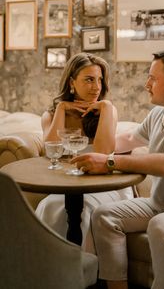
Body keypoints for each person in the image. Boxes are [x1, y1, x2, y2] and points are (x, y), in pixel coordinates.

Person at [72, 49, 164, 289]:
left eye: (153, 77)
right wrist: (104, 115)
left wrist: (111, 162)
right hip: (160, 202)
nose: (147, 84)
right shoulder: (158, 114)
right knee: (103, 215)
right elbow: (126, 141)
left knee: (162, 226)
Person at [36, 52, 133, 250]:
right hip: (69, 185)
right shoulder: (52, 114)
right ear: (72, 82)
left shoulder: (107, 111)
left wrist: (106, 107)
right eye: (89, 80)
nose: (96, 87)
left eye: (100, 80)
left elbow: (103, 152)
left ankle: (85, 271)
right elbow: (51, 151)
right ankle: (52, 270)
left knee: (83, 210)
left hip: (106, 185)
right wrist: (62, 109)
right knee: (50, 206)